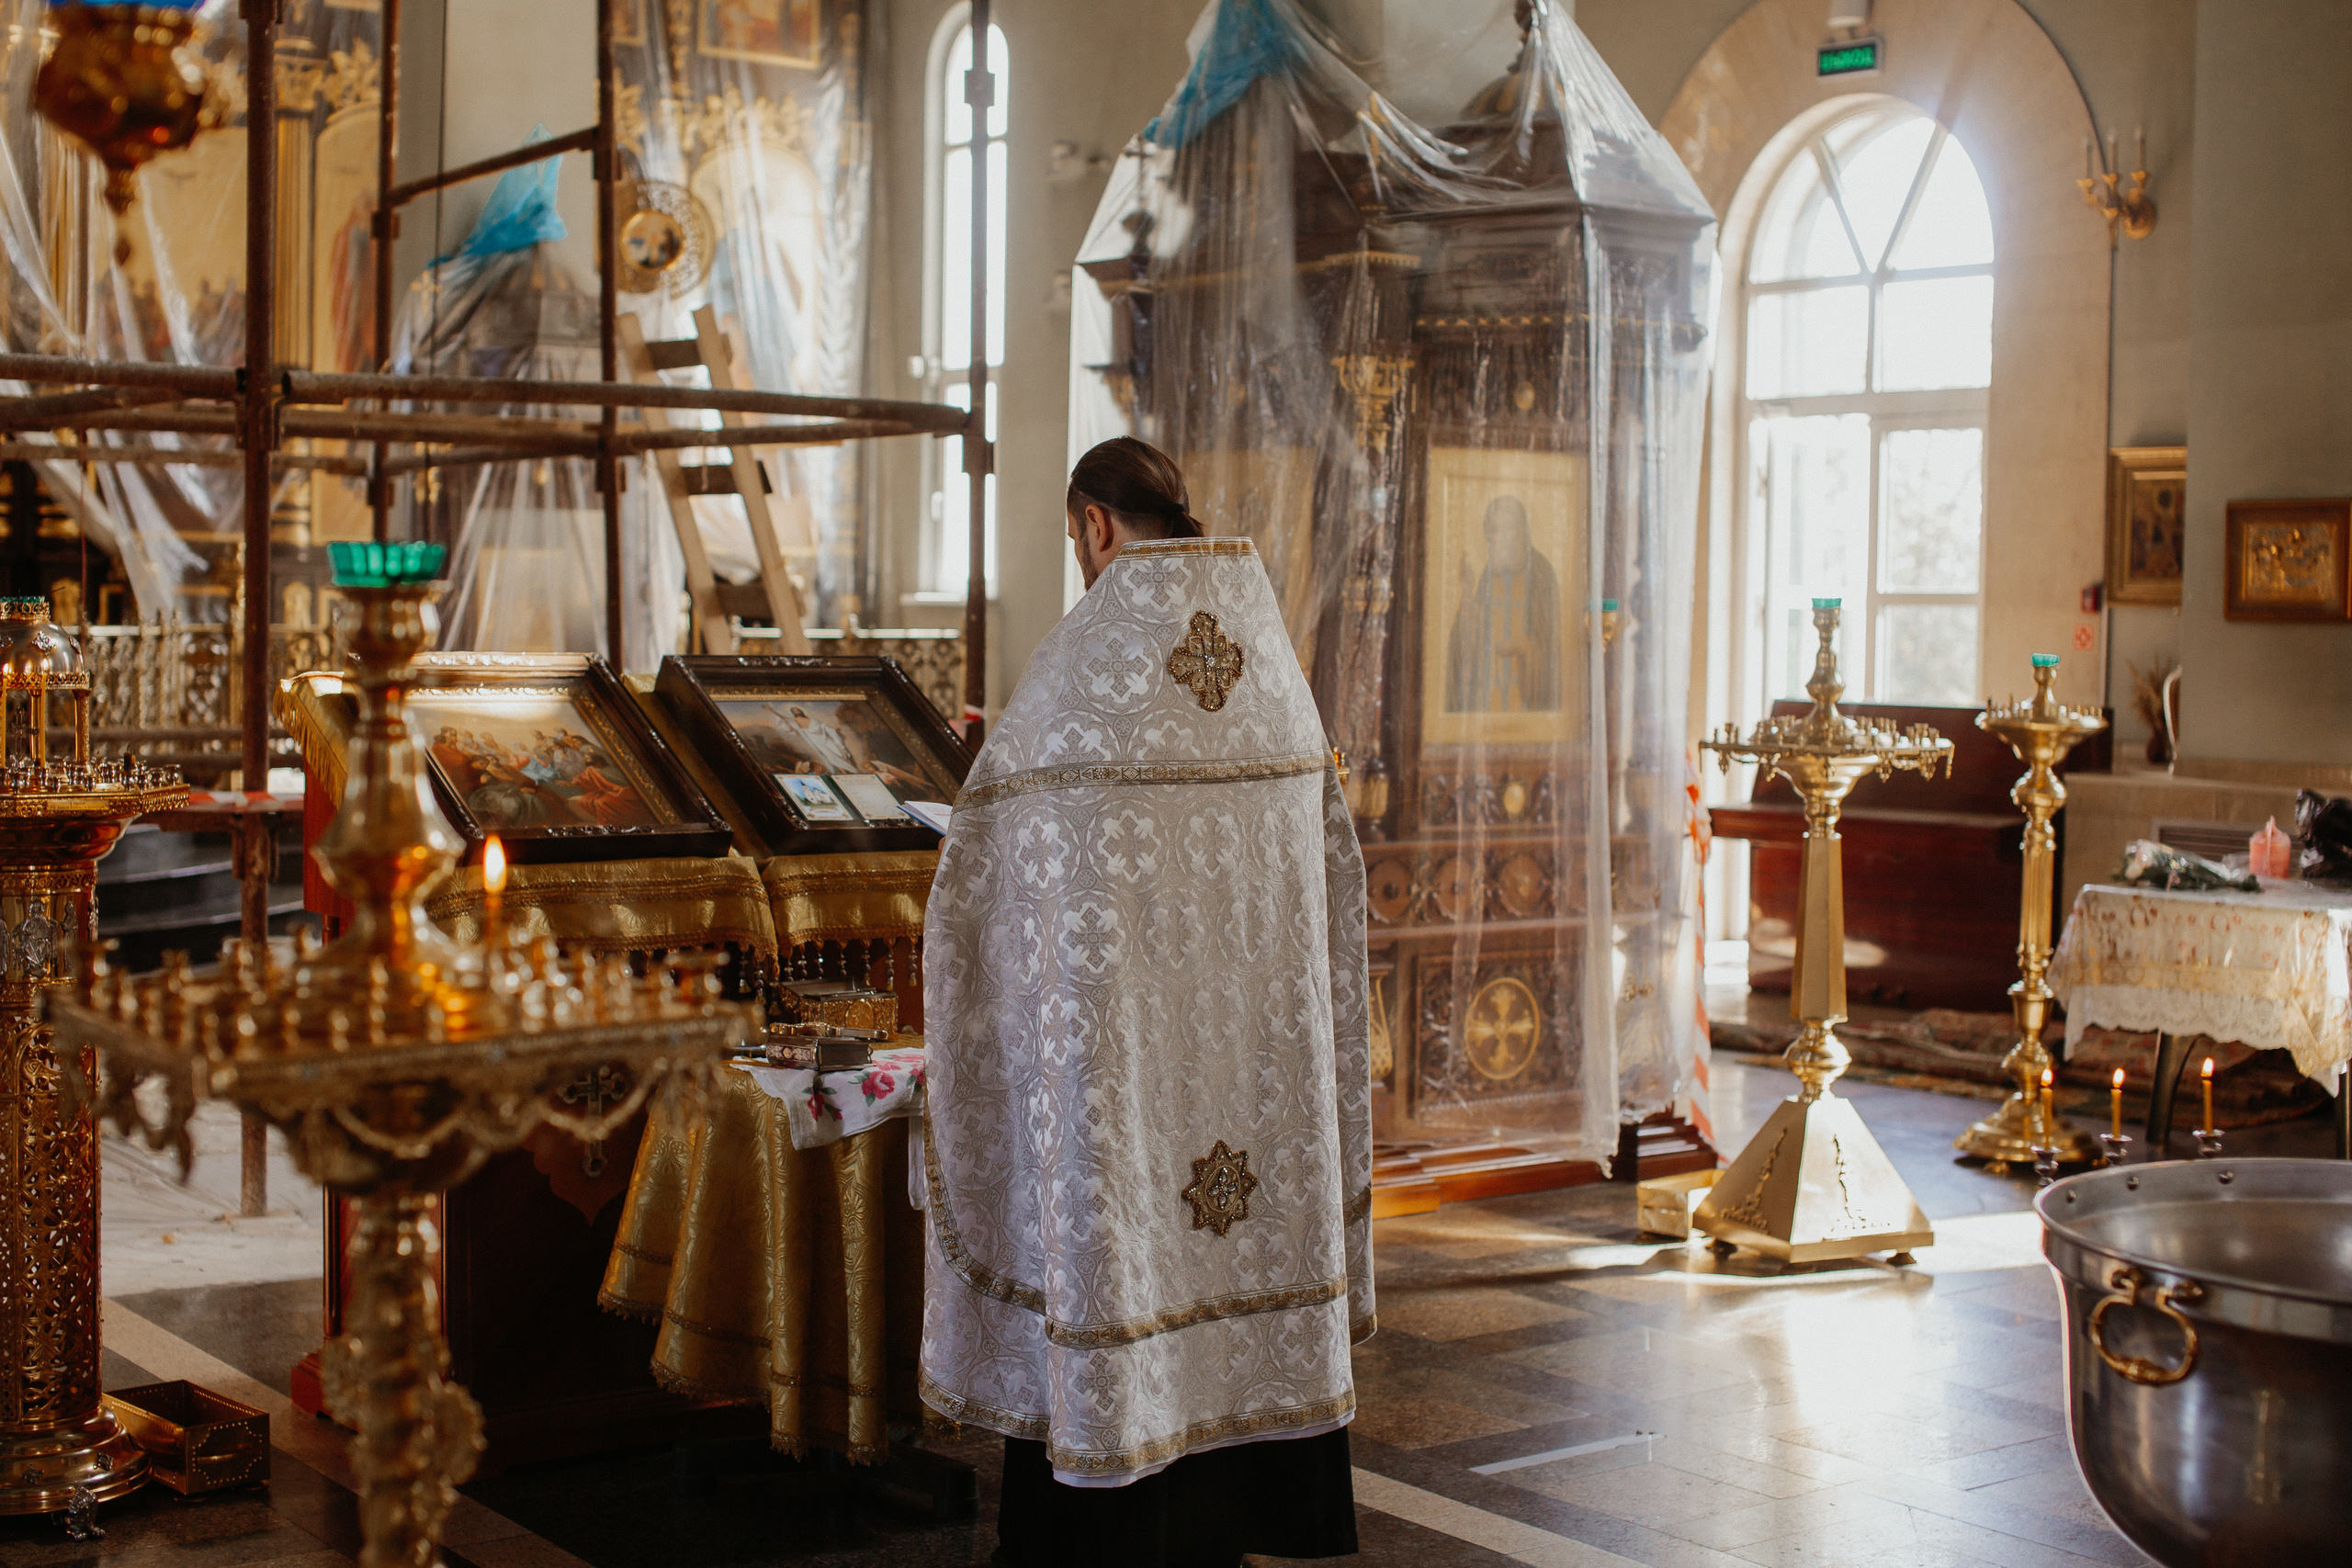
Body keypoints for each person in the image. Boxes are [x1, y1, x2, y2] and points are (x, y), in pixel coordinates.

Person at [922, 436, 1371, 1567]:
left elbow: (979, 880)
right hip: (1251, 1070)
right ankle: (1252, 1509)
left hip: (1124, 1079)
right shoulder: (1270, 674)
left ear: (1094, 526)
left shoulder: (1079, 679)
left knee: (1120, 1252)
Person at [1445, 493, 1561, 713]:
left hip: (1529, 711)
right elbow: (1465, 648)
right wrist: (1468, 594)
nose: (1504, 537)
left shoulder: (1542, 576)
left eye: (1510, 528)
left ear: (1523, 531)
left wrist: (1524, 646)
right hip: (1487, 713)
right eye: (1496, 530)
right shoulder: (1487, 578)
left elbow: (1554, 653)